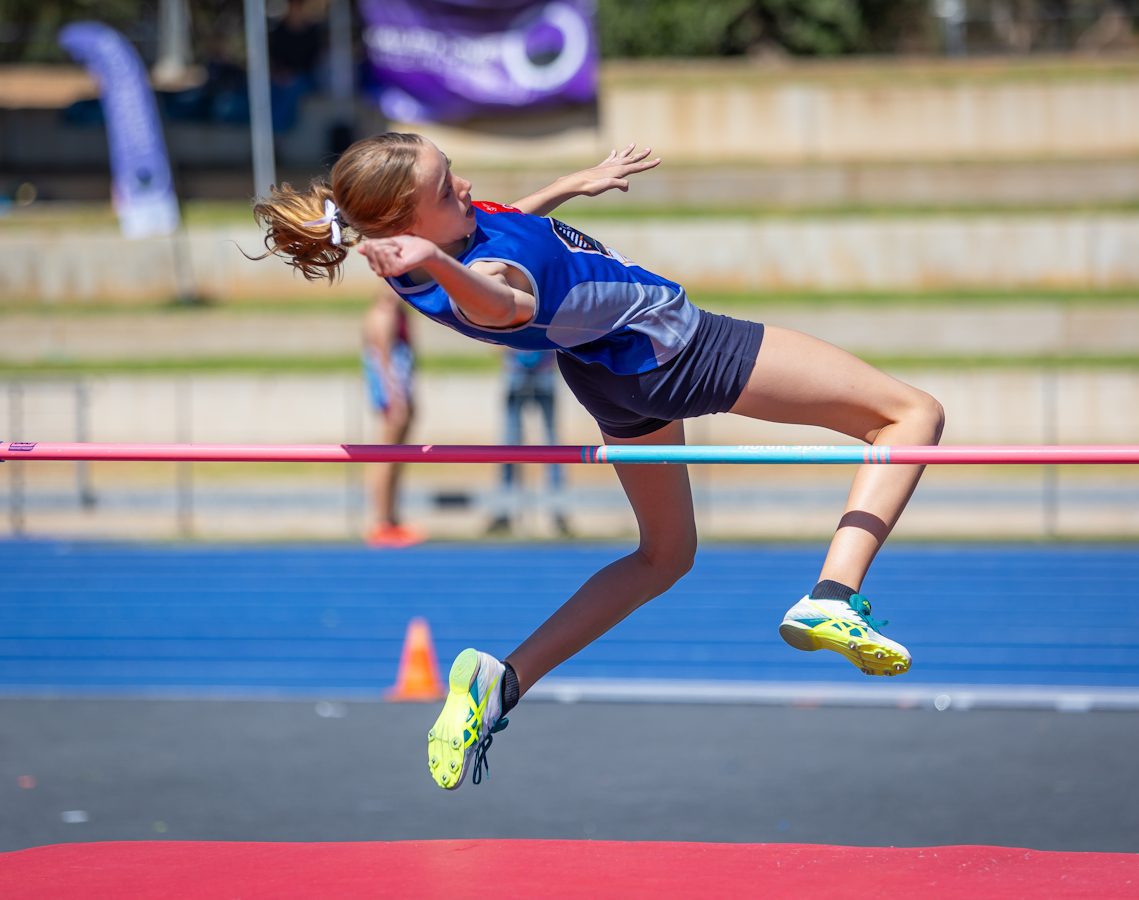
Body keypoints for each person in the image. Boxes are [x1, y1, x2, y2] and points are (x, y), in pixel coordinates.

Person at [251, 133, 945, 790]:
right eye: (445, 185)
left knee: (665, 556)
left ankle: (502, 683)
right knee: (911, 414)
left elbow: (503, 220)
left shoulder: (456, 236)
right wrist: (436, 265)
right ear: (411, 227)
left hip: (613, 374)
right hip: (680, 349)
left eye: (451, 166)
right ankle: (831, 598)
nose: (466, 184)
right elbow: (506, 304)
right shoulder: (472, 272)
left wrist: (570, 185)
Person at [361, 285, 424, 548]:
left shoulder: (398, 314)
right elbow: (384, 361)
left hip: (399, 389)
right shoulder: (383, 315)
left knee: (396, 457)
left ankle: (392, 518)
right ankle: (382, 521)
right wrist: (395, 400)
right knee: (387, 458)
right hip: (391, 393)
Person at [487, 348, 571, 537]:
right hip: (517, 371)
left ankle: (559, 510)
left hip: (543, 371)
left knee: (554, 448)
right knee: (509, 446)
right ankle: (504, 510)